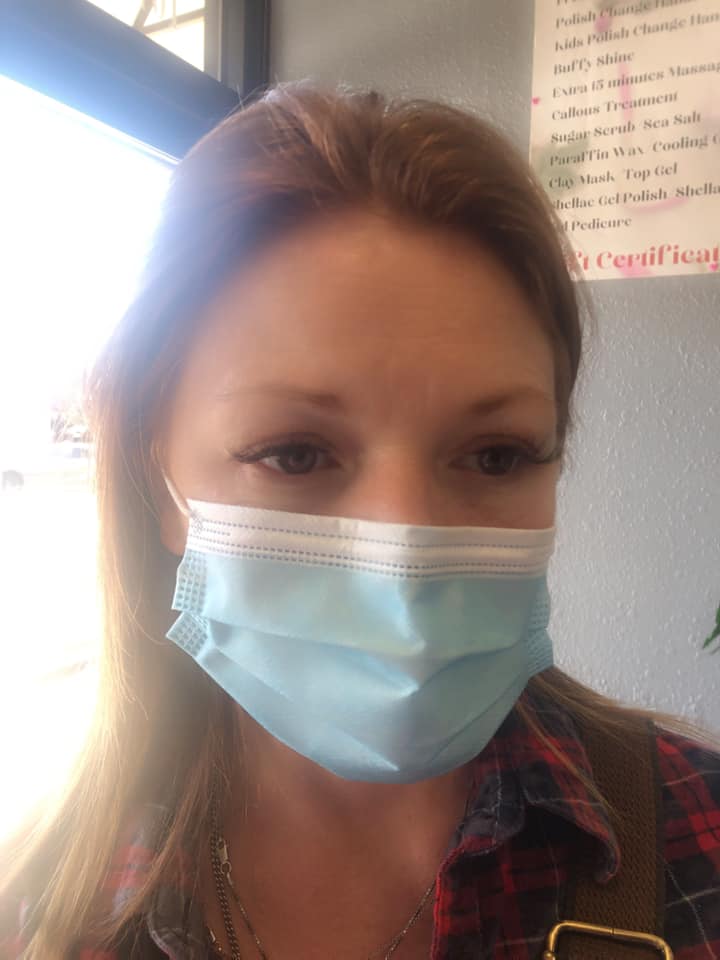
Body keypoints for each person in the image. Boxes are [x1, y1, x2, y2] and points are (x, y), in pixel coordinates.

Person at [1, 82, 718, 960]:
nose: (403, 553)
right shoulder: (49, 907)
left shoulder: (698, 834)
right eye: (295, 453)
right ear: (158, 486)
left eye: (496, 456)